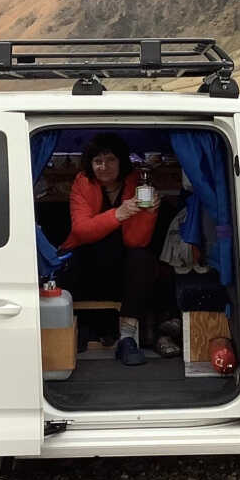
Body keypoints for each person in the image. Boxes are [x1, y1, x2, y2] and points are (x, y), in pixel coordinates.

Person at [59, 133, 175, 365]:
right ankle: (86, 329)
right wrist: (119, 214)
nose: (104, 166)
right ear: (90, 164)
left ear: (121, 161)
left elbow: (136, 241)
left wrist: (148, 215)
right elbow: (81, 231)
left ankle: (127, 338)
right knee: (77, 261)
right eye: (97, 161)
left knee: (143, 259)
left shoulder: (137, 184)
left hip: (122, 264)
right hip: (86, 262)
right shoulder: (83, 182)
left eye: (110, 159)